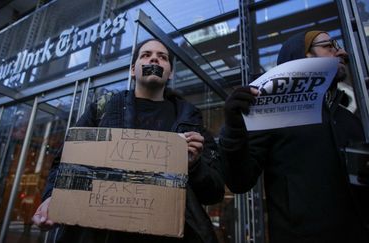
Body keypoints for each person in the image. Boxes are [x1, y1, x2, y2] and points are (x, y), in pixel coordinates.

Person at [32, 38, 225, 243]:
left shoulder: (191, 121)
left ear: (170, 73)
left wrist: (194, 167)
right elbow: (65, 161)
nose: (154, 60)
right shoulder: (103, 110)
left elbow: (214, 193)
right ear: (133, 70)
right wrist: (52, 197)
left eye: (162, 57)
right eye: (146, 55)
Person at [219, 30, 369, 242]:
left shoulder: (351, 117)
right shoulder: (272, 113)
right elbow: (240, 182)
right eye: (330, 46)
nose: (342, 52)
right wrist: (234, 128)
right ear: (304, 56)